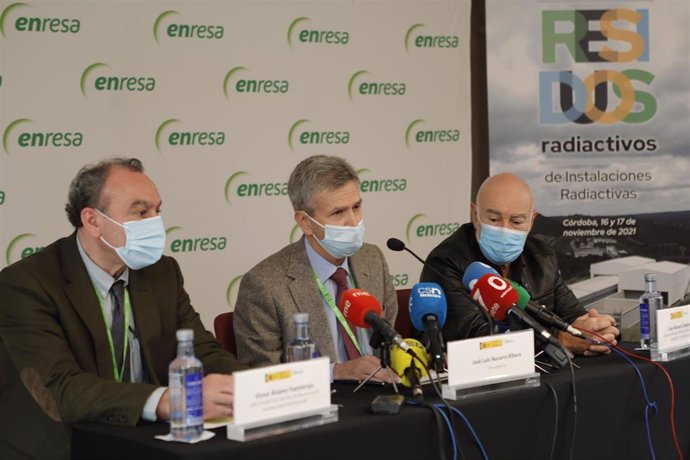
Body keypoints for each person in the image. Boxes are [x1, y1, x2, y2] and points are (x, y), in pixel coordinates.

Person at [0, 158, 246, 459]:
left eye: (158, 211)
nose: (155, 223)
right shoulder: (26, 283)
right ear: (92, 221)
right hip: (64, 444)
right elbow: (59, 388)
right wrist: (166, 401)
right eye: (141, 212)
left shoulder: (162, 272)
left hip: (144, 439)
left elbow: (199, 348)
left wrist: (249, 386)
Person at [234, 155, 400, 382]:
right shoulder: (264, 284)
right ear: (305, 222)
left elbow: (390, 344)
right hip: (317, 406)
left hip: (382, 397)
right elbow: (261, 376)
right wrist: (335, 372)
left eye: (356, 207)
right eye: (338, 212)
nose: (353, 221)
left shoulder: (372, 259)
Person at [421, 172, 619, 355]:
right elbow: (478, 338)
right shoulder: (445, 262)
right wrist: (560, 339)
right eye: (494, 219)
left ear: (531, 220)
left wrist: (592, 327)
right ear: (475, 215)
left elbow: (572, 315)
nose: (504, 229)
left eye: (516, 222)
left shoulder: (541, 255)